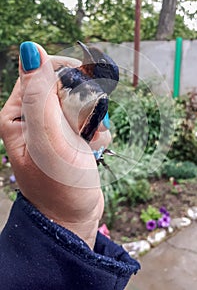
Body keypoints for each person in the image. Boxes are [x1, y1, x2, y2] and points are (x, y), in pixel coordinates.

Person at [0, 41, 140, 290]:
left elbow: (85, 133)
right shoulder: (66, 74)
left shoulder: (98, 99)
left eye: (91, 65)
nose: (83, 64)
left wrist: (84, 155)